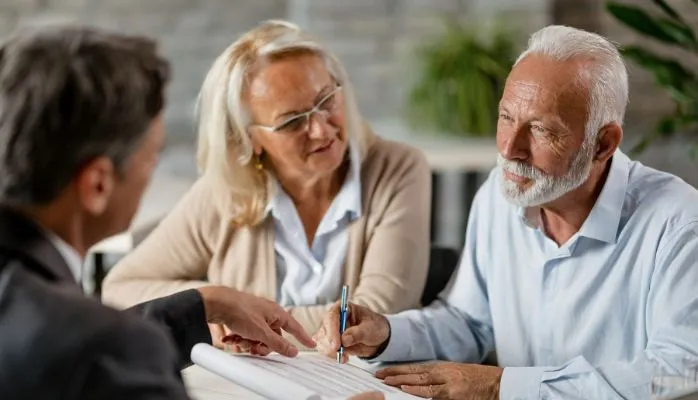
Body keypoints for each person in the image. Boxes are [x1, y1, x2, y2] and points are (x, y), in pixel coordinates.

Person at [314, 25, 698, 399]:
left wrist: (501, 387)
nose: (510, 149)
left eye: (542, 130)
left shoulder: (679, 224)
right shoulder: (499, 198)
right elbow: (468, 322)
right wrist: (386, 332)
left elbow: (678, 371)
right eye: (506, 117)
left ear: (603, 144)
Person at [0, 22, 316, 399]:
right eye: (151, 158)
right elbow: (89, 351)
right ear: (98, 184)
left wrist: (204, 304)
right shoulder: (111, 350)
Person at [101, 19, 431, 347]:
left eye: (326, 100)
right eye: (292, 121)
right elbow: (121, 287)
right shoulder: (227, 190)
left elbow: (376, 317)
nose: (321, 129)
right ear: (249, 139)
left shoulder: (398, 168)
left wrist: (244, 319)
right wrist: (213, 304)